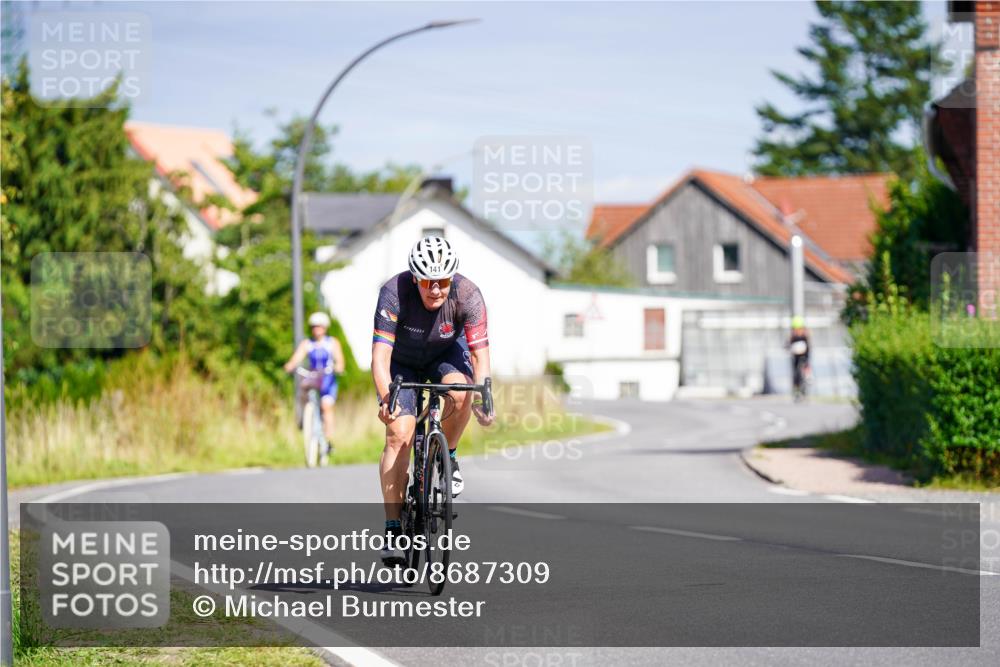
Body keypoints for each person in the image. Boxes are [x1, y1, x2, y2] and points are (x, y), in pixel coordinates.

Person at [371, 236, 494, 566]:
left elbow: (481, 358)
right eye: (428, 282)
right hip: (402, 362)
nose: (436, 289)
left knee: (460, 392)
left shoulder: (468, 295)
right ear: (416, 277)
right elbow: (380, 359)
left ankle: (448, 456)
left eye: (442, 282)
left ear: (451, 278)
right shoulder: (394, 293)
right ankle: (393, 527)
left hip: (446, 356)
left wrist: (483, 397)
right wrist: (387, 399)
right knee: (399, 434)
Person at [283, 311, 345, 443]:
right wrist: (290, 365)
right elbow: (297, 357)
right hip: (313, 377)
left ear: (325, 327)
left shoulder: (332, 342)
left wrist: (338, 367)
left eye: (319, 326)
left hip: (328, 379)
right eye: (314, 326)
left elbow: (340, 360)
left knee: (325, 406)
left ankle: (328, 440)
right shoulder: (307, 343)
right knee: (303, 393)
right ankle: (304, 419)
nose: (316, 329)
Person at [788, 316, 811, 401]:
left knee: (806, 364)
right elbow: (788, 344)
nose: (797, 330)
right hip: (796, 356)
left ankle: (808, 375)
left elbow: (808, 346)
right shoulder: (793, 335)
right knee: (796, 373)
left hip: (804, 355)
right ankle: (797, 390)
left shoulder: (805, 334)